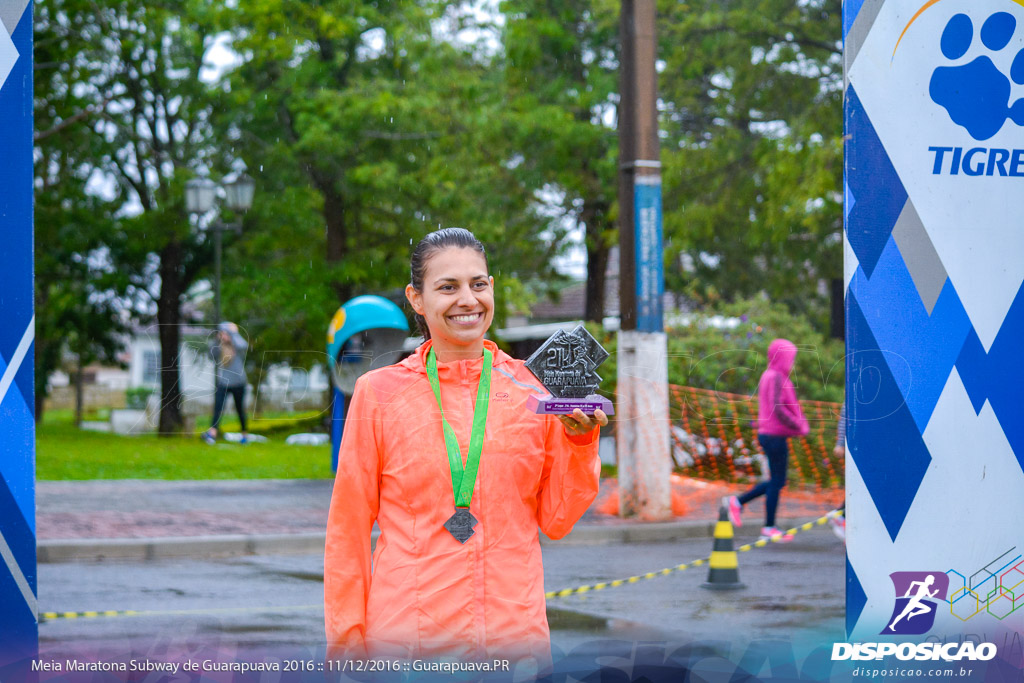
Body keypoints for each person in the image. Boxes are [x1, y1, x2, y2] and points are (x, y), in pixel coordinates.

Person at [323, 228, 607, 667]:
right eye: (447, 287)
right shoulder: (378, 394)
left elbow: (556, 519)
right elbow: (349, 531)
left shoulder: (535, 389)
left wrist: (580, 440)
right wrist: (346, 645)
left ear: (492, 288)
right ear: (416, 299)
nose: (467, 300)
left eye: (478, 284)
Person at [724, 338, 809, 542]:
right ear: (783, 357)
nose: (793, 363)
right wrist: (799, 425)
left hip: (770, 434)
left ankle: (739, 503)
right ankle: (767, 525)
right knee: (777, 481)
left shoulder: (769, 375)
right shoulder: (777, 377)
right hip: (774, 436)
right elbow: (777, 407)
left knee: (777, 480)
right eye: (791, 358)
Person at [201, 322, 250, 445]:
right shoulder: (220, 347)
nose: (223, 335)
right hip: (224, 382)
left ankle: (244, 435)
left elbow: (244, 345)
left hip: (239, 383)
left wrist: (233, 333)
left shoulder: (238, 347)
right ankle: (212, 434)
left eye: (224, 333)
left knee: (240, 409)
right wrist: (218, 340)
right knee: (218, 408)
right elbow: (211, 354)